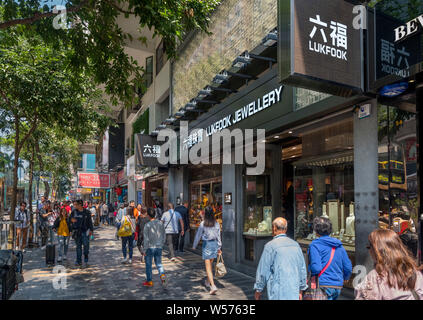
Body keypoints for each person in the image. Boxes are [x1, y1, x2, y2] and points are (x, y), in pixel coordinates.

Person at [355, 229, 423, 300]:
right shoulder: (416, 273)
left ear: (377, 250)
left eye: (369, 246)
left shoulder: (375, 278)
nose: (369, 250)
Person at [254, 217, 308, 300]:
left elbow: (263, 270)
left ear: (274, 228)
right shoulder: (296, 245)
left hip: (278, 292)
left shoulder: (270, 246)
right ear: (286, 229)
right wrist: (301, 289)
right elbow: (302, 269)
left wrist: (258, 289)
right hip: (293, 291)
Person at [308, 217, 352, 300]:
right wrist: (346, 277)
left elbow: (316, 268)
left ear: (316, 231)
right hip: (337, 285)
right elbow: (348, 266)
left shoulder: (315, 245)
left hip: (323, 284)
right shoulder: (339, 245)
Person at [192, 206, 222, 295]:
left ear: (205, 214)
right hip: (214, 245)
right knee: (210, 265)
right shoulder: (216, 223)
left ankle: (213, 286)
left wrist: (194, 245)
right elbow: (218, 236)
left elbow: (198, 236)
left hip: (207, 245)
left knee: (208, 268)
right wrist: (219, 247)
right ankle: (208, 282)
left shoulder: (203, 223)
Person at [142, 206, 166, 287]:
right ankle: (162, 276)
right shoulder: (160, 223)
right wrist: (162, 244)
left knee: (148, 265)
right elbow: (164, 235)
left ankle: (149, 281)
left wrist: (144, 250)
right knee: (159, 263)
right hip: (159, 247)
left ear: (148, 215)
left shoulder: (147, 225)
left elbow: (146, 239)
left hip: (150, 247)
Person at [70, 199, 94, 268]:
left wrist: (91, 231)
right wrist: (71, 222)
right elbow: (70, 220)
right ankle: (78, 260)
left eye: (75, 204)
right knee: (78, 247)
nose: (74, 206)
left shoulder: (87, 212)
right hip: (77, 232)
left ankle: (86, 257)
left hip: (85, 232)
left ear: (80, 204)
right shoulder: (74, 212)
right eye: (74, 204)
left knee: (86, 246)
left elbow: (90, 222)